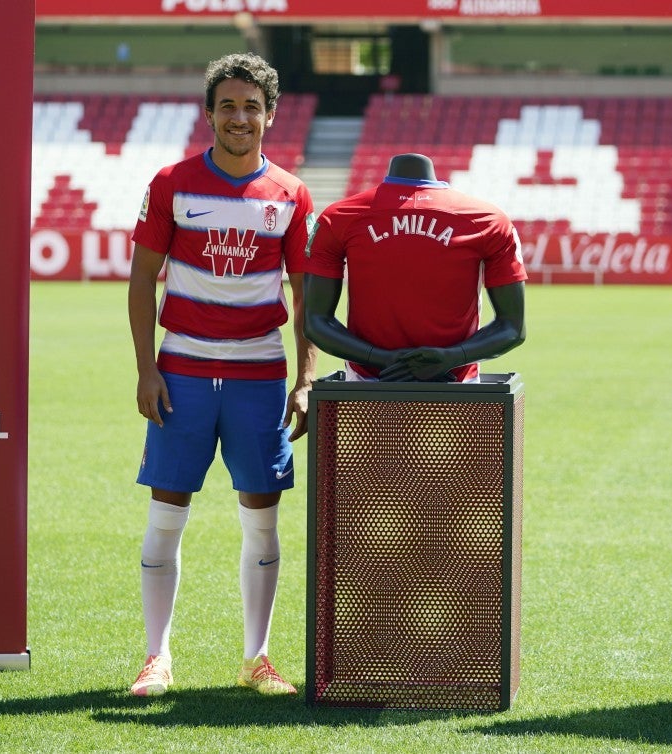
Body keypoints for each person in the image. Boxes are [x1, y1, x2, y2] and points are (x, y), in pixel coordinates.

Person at [127, 53, 317, 697]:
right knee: (166, 513)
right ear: (209, 114)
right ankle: (157, 657)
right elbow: (139, 282)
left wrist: (306, 376)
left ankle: (256, 658)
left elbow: (305, 295)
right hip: (180, 373)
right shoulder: (172, 183)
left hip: (259, 376)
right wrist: (145, 367)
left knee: (261, 518)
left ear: (270, 113)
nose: (240, 117)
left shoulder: (290, 193)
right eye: (228, 106)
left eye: (251, 106)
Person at [303, 153, 526, 382]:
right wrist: (452, 357)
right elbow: (512, 328)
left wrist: (382, 359)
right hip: (458, 389)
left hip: (369, 388)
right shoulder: (489, 220)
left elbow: (316, 323)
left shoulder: (339, 217)